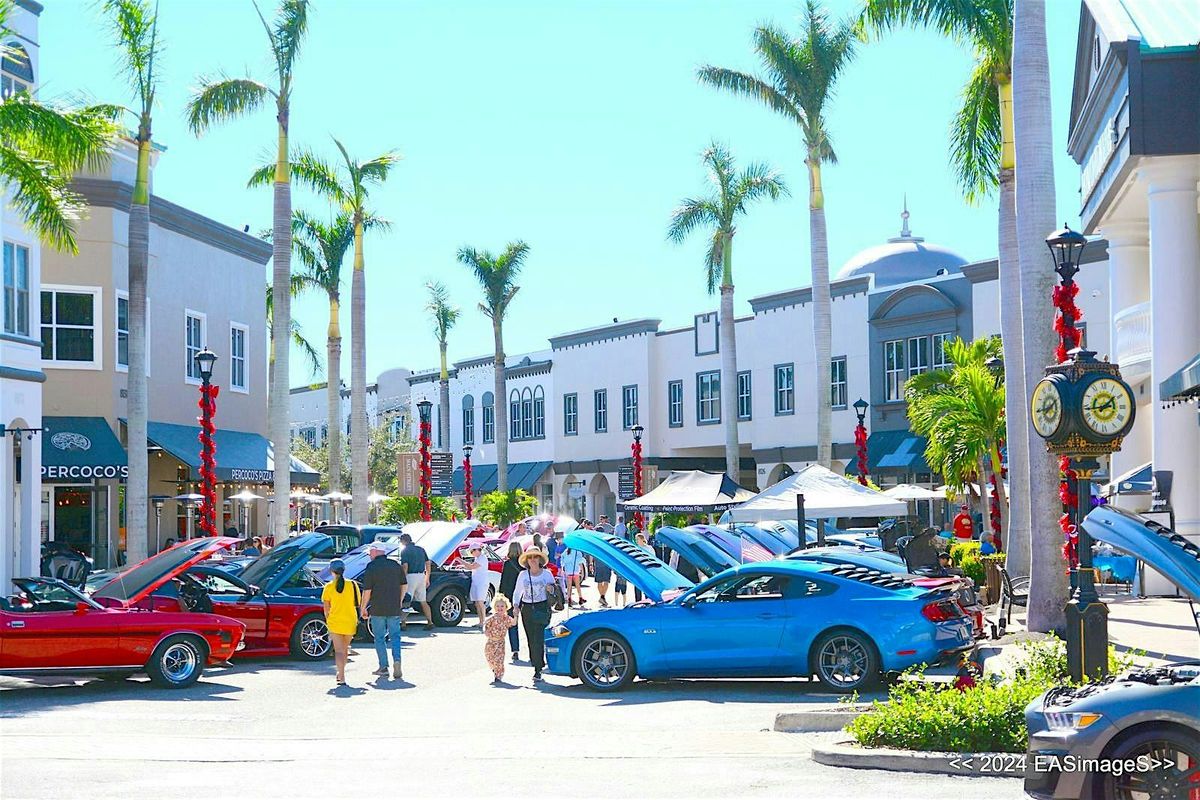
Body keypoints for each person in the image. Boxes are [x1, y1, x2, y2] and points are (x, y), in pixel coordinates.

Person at [511, 547, 557, 682]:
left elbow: (556, 591)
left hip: (542, 607)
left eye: (535, 557)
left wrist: (551, 589)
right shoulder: (523, 575)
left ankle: (538, 667)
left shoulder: (547, 574)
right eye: (530, 557)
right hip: (527, 609)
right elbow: (517, 591)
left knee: (539, 638)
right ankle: (536, 663)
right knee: (531, 638)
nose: (532, 560)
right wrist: (515, 606)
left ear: (540, 559)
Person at [360, 544, 406, 679]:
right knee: (395, 636)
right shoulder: (395, 565)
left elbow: (367, 590)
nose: (369, 555)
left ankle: (383, 667)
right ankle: (397, 661)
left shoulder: (371, 567)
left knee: (379, 638)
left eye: (370, 552)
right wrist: (400, 600)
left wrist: (363, 607)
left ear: (375, 551)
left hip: (377, 607)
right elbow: (404, 584)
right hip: (394, 607)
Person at [321, 558, 359, 686]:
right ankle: (341, 672)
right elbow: (357, 603)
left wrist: (328, 620)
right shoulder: (353, 585)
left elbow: (326, 608)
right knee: (344, 648)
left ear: (331, 570)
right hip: (350, 620)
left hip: (335, 621)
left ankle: (341, 674)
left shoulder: (328, 587)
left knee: (338, 650)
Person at [398, 532, 434, 630]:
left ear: (403, 541)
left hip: (410, 576)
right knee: (423, 601)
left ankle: (403, 623)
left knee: (406, 600)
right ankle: (430, 622)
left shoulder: (405, 551)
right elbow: (428, 563)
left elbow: (405, 566)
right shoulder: (421, 549)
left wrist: (402, 579)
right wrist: (427, 577)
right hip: (421, 576)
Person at [483, 595, 517, 684]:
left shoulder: (506, 618)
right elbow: (485, 625)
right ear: (494, 607)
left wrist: (516, 615)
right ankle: (494, 668)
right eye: (497, 606)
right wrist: (486, 631)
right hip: (491, 641)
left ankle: (498, 675)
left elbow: (513, 623)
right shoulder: (492, 618)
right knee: (489, 656)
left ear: (506, 607)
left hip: (500, 642)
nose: (500, 608)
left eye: (502, 606)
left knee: (499, 659)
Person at [498, 541, 523, 662]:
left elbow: (504, 581)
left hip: (510, 596)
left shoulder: (508, 564)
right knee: (528, 625)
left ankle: (515, 650)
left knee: (513, 624)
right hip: (524, 596)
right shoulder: (524, 563)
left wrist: (500, 595)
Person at [463, 541, 490, 632]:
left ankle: (484, 621)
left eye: (472, 551)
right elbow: (472, 567)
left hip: (482, 583)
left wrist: (460, 560)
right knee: (477, 603)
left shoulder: (482, 558)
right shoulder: (477, 558)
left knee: (480, 602)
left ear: (476, 550)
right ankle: (480, 621)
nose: (471, 553)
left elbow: (471, 567)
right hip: (476, 582)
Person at [559, 541, 586, 608]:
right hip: (575, 571)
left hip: (568, 572)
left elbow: (562, 562)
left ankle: (569, 600)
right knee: (577, 586)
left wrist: (563, 569)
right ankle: (580, 598)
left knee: (569, 587)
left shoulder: (565, 552)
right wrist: (582, 571)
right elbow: (580, 561)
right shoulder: (577, 552)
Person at [633, 532, 653, 602]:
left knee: (647, 587)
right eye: (636, 539)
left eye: (638, 539)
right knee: (638, 587)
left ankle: (648, 601)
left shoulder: (649, 548)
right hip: (638, 570)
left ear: (642, 539)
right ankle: (638, 602)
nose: (636, 541)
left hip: (647, 569)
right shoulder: (635, 549)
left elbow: (653, 558)